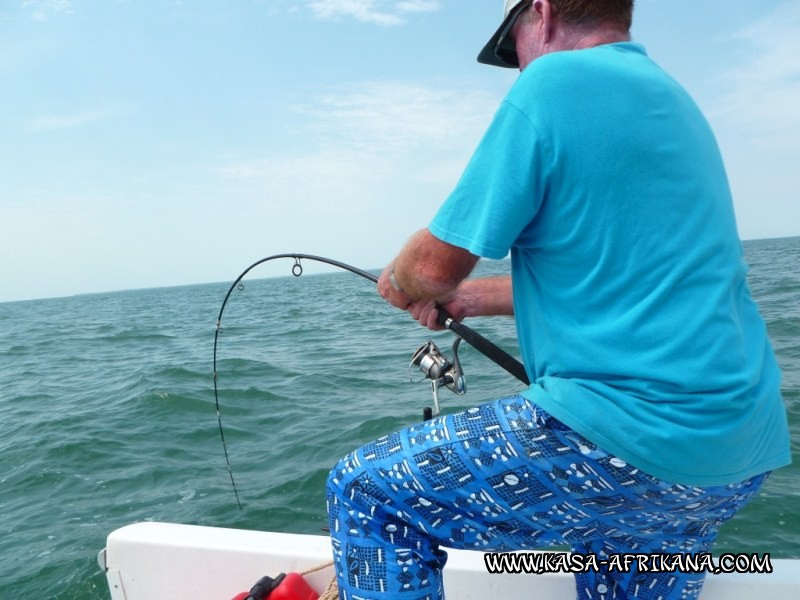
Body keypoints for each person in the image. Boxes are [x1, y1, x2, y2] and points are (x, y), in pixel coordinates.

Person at [325, 1, 792, 598]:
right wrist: (467, 300)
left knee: (367, 492)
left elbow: (434, 265)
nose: (518, 67)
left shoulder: (555, 79)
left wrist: (402, 279)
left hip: (627, 438)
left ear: (540, 15)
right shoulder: (673, 100)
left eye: (512, 48)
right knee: (623, 553)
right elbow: (616, 279)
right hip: (738, 451)